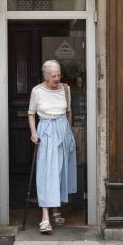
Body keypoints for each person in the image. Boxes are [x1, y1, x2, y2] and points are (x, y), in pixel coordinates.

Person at [28, 60, 77, 234]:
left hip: (63, 131)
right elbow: (31, 114)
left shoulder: (66, 89)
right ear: (46, 76)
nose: (57, 78)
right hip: (46, 132)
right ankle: (45, 216)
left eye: (59, 75)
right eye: (53, 76)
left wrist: (70, 134)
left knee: (60, 172)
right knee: (46, 173)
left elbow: (68, 112)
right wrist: (34, 133)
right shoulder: (37, 91)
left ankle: (56, 208)